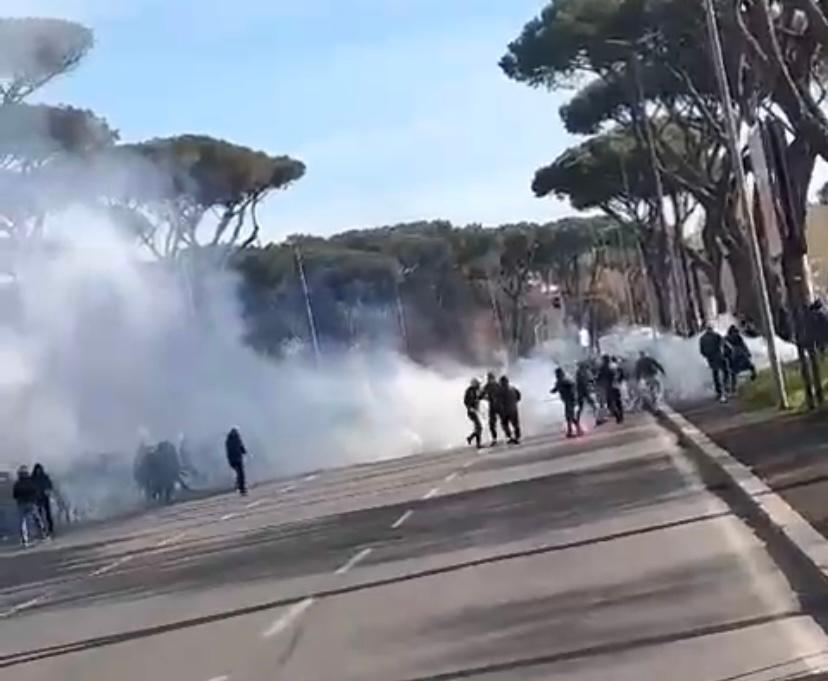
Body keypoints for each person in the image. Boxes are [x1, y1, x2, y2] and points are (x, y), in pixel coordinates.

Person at [12, 466, 44, 548]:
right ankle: (42, 534)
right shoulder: (30, 482)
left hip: (22, 504)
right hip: (31, 503)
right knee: (37, 519)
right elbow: (35, 492)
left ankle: (25, 540)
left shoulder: (17, 483)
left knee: (23, 523)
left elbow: (15, 495)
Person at [699, 324, 730, 402]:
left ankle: (718, 390)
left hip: (710, 358)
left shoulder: (702, 338)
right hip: (718, 355)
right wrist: (725, 352)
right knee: (725, 370)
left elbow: (701, 350)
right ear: (711, 329)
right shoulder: (716, 335)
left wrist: (706, 355)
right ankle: (726, 385)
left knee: (715, 373)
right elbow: (723, 343)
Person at [551, 367, 582, 438]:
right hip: (567, 401)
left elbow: (573, 387)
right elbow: (556, 388)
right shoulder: (560, 381)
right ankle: (577, 430)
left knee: (569, 417)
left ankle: (572, 431)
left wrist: (573, 397)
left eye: (558, 374)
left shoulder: (566, 380)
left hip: (570, 401)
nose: (557, 375)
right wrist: (553, 390)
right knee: (570, 417)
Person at [725, 324, 757, 390]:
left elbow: (725, 349)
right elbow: (743, 345)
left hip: (733, 357)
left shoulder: (726, 338)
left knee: (733, 373)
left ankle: (733, 387)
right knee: (750, 366)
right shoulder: (737, 337)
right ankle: (753, 375)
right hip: (740, 355)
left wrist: (726, 356)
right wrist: (748, 353)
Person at [596, 355, 625, 424]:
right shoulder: (613, 366)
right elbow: (621, 374)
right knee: (617, 401)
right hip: (614, 385)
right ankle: (620, 416)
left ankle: (618, 416)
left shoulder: (604, 368)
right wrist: (619, 381)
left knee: (611, 403)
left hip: (609, 386)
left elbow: (599, 377)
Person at [31, 463, 54, 537]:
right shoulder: (33, 478)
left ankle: (50, 529)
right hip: (37, 498)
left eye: (39, 469)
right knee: (39, 515)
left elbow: (50, 485)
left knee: (47, 514)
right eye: (37, 470)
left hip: (44, 497)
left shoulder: (44, 477)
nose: (38, 471)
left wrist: (48, 490)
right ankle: (41, 529)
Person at [480, 372, 503, 446]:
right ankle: (495, 439)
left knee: (502, 422)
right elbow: (480, 396)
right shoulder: (492, 385)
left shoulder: (495, 385)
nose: (490, 380)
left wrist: (486, 398)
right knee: (492, 424)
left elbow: (480, 395)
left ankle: (507, 436)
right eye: (489, 378)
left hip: (497, 406)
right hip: (495, 406)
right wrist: (486, 398)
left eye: (490, 378)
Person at [498, 375, 522, 445]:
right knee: (515, 424)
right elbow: (519, 397)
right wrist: (514, 402)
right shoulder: (513, 388)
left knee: (505, 425)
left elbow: (497, 401)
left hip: (504, 411)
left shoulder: (499, 391)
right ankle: (517, 437)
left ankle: (509, 437)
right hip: (513, 409)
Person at [225, 428, 248, 496]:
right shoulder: (237, 439)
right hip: (237, 459)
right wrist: (244, 452)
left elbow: (228, 452)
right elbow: (241, 448)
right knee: (241, 474)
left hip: (232, 460)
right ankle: (242, 488)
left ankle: (239, 485)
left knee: (238, 473)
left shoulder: (228, 441)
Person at [463, 378, 483, 449]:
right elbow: (465, 401)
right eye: (478, 383)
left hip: (474, 411)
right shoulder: (470, 391)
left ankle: (471, 439)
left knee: (478, 428)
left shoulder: (475, 391)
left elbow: (478, 398)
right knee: (479, 427)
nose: (479, 385)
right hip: (471, 412)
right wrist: (470, 408)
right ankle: (477, 443)